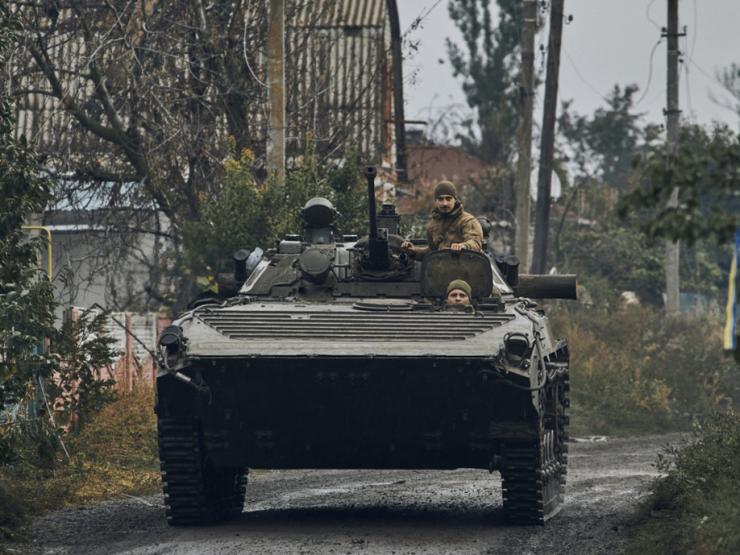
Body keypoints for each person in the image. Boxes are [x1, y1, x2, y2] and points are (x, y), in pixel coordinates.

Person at [402, 181, 483, 259]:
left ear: (455, 200)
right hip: (440, 267)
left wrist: (463, 246)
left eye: (448, 199)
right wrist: (414, 251)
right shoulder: (433, 225)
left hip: (464, 266)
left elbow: (475, 243)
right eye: (440, 199)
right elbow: (433, 252)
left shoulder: (467, 221)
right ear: (436, 201)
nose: (444, 203)